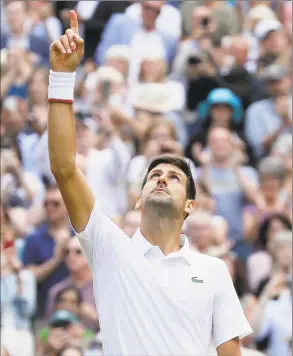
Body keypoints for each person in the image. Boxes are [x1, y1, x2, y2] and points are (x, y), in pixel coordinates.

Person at [47, 11, 252, 356]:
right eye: (154, 175)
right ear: (139, 199)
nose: (161, 179)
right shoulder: (109, 248)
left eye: (174, 177)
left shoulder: (214, 271)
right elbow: (64, 167)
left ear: (190, 205)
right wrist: (62, 76)